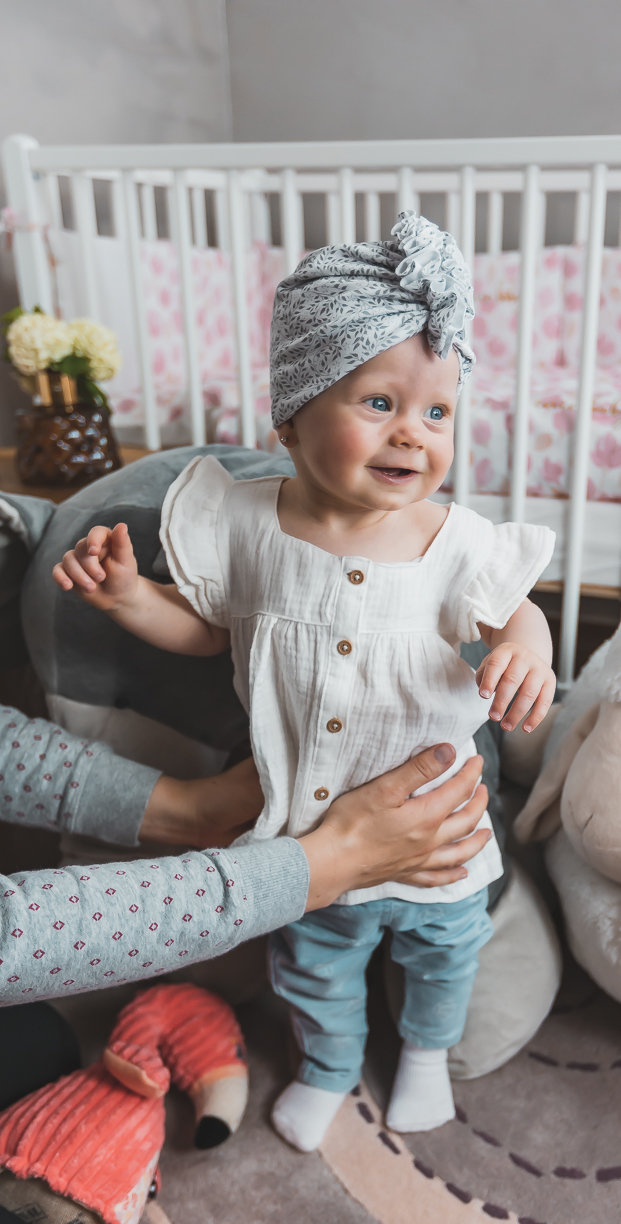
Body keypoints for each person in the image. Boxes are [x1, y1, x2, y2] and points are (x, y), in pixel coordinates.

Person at [53, 212, 556, 1151]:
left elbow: (509, 612)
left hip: (438, 828)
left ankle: (420, 1055)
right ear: (289, 415)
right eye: (379, 404)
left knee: (444, 954)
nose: (414, 433)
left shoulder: (455, 542)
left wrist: (530, 647)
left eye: (437, 411)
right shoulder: (246, 524)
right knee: (315, 963)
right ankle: (328, 1065)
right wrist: (128, 599)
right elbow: (207, 634)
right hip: (308, 827)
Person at [0, 705, 490, 1002]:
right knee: (46, 1048)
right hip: (328, 896)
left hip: (446, 888)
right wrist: (326, 864)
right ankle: (329, 1070)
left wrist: (187, 808)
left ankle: (425, 1052)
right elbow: (15, 937)